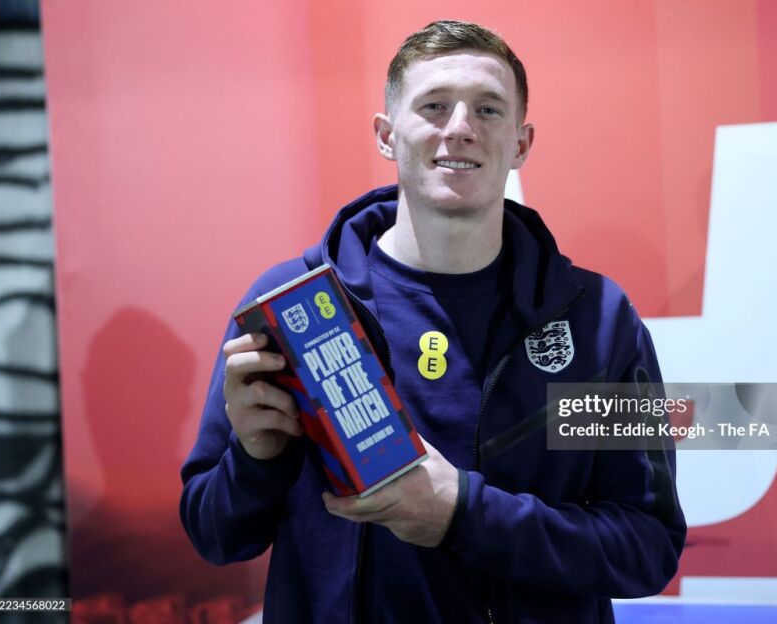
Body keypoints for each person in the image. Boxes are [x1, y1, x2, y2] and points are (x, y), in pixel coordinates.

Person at [181, 19, 685, 623]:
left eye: (488, 109)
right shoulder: (295, 306)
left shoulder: (595, 321)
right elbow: (215, 535)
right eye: (434, 105)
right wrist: (254, 460)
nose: (460, 127)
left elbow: (645, 545)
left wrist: (464, 514)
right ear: (387, 135)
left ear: (521, 143)